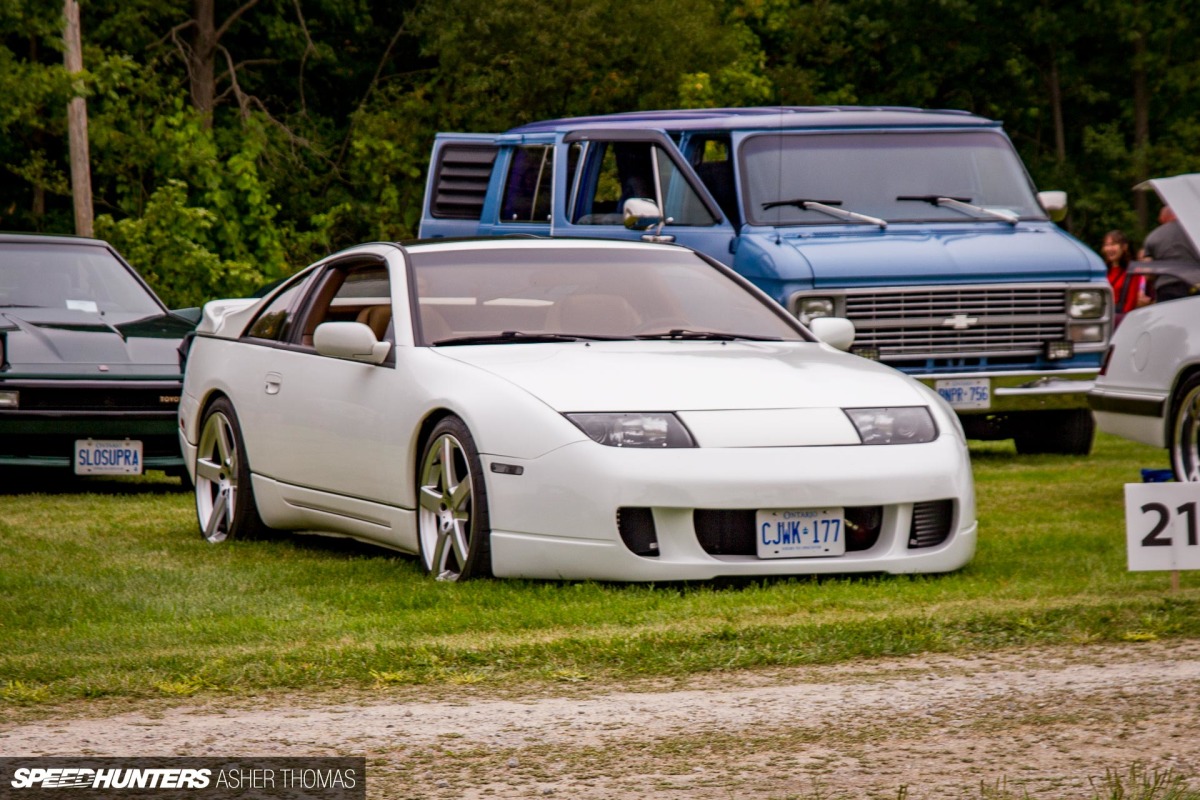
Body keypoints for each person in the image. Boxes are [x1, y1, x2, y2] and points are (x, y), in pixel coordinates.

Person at [1101, 230, 1148, 319]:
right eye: (1106, 245)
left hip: (1120, 319)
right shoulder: (1102, 270)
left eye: (1113, 244)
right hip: (1103, 318)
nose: (1109, 248)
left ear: (1124, 247)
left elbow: (1131, 302)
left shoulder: (1132, 272)